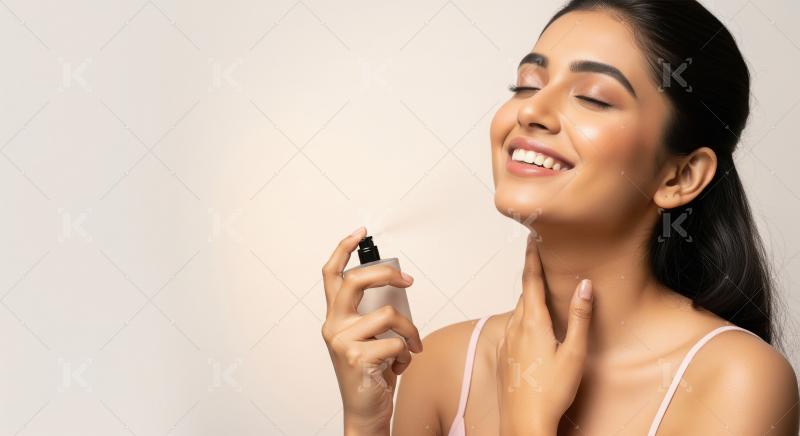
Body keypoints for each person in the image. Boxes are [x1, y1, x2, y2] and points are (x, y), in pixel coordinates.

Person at [320, 1, 800, 434]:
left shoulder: (739, 380)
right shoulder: (442, 365)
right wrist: (366, 420)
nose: (531, 110)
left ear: (680, 177)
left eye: (592, 97)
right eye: (526, 85)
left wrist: (528, 420)